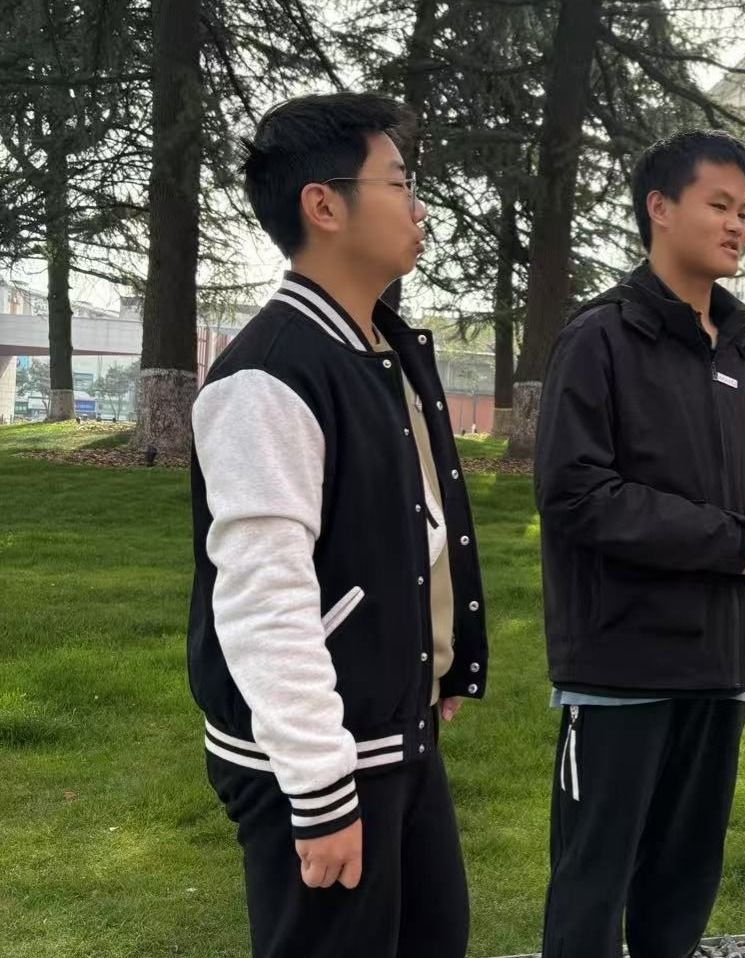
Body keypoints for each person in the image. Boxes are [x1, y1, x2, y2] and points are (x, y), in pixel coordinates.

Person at [187, 93, 487, 958]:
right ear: (324, 205)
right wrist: (319, 793)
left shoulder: (377, 350)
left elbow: (407, 529)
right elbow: (264, 597)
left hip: (395, 732)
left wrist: (433, 659)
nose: (419, 207)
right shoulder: (270, 376)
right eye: (399, 182)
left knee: (434, 937)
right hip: (322, 758)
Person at [534, 129, 745, 958]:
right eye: (718, 205)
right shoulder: (599, 339)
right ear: (659, 207)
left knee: (683, 887)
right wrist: (726, 541)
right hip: (621, 669)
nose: (737, 225)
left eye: (744, 211)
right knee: (592, 890)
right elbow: (576, 495)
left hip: (721, 665)